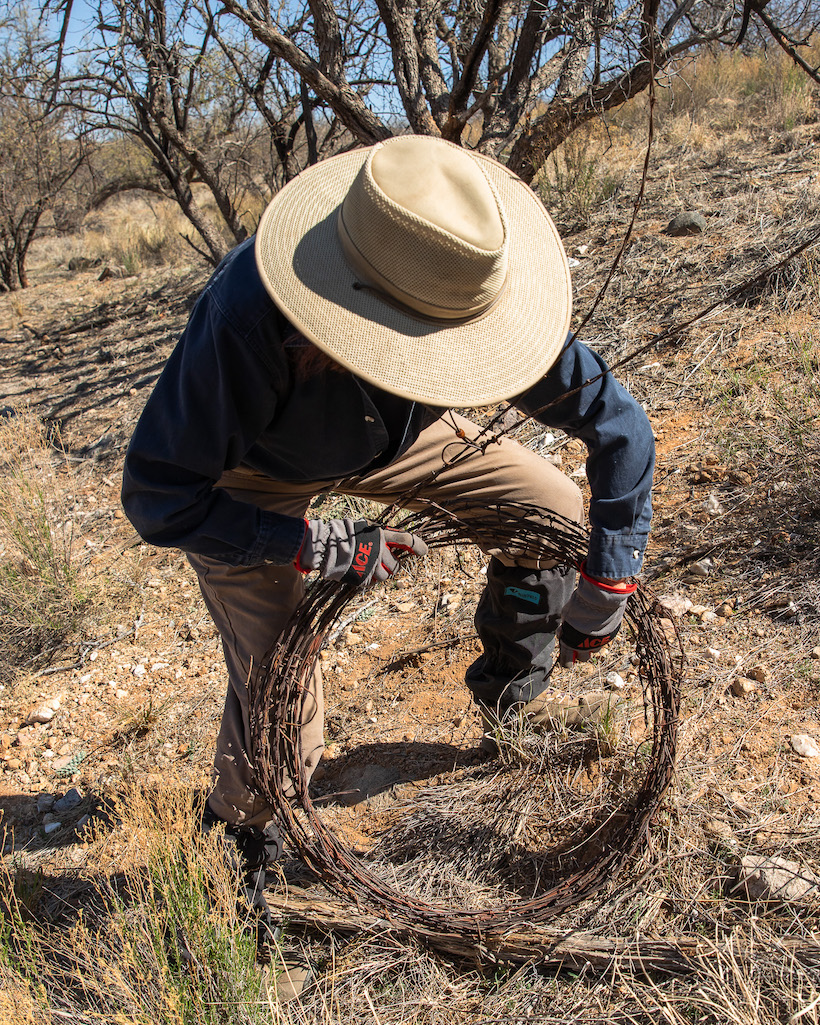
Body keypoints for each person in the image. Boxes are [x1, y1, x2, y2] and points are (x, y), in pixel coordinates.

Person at [121, 135, 654, 988]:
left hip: (400, 437)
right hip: (255, 473)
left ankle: (509, 688)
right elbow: (158, 497)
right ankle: (237, 848)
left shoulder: (463, 278)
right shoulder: (248, 319)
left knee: (548, 506)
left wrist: (608, 581)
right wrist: (309, 543)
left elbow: (620, 426)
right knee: (281, 681)